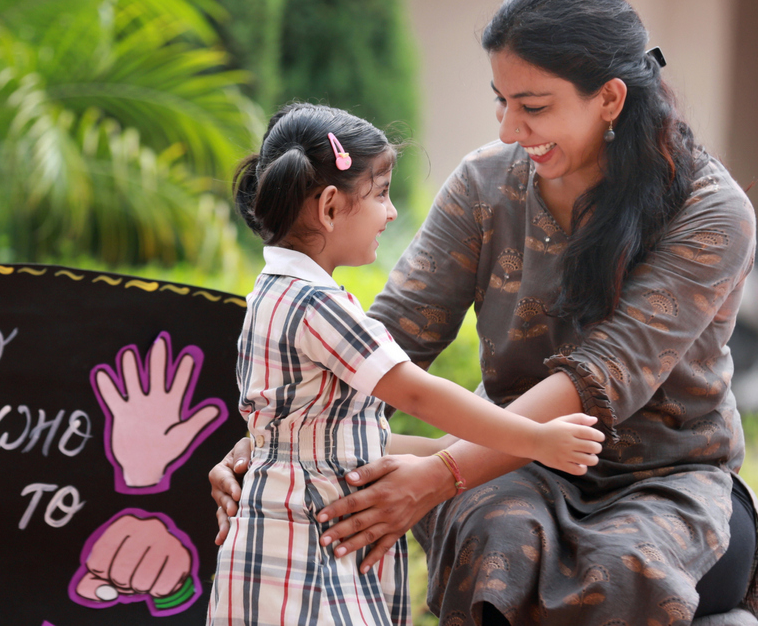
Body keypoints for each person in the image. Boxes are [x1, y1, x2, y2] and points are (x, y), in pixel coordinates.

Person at [211, 0, 758, 626]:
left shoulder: (711, 211)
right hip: (510, 466)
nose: (510, 130)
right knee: (495, 537)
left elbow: (597, 377)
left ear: (610, 98)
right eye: (500, 101)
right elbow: (384, 340)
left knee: (620, 564)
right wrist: (259, 448)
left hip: (665, 482)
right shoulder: (484, 183)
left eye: (532, 106)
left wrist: (440, 473)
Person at [206, 102, 605, 626]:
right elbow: (417, 393)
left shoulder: (272, 293)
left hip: (280, 533)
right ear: (329, 207)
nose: (391, 212)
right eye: (379, 195)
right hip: (310, 542)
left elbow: (332, 433)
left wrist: (447, 454)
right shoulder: (318, 306)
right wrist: (534, 439)